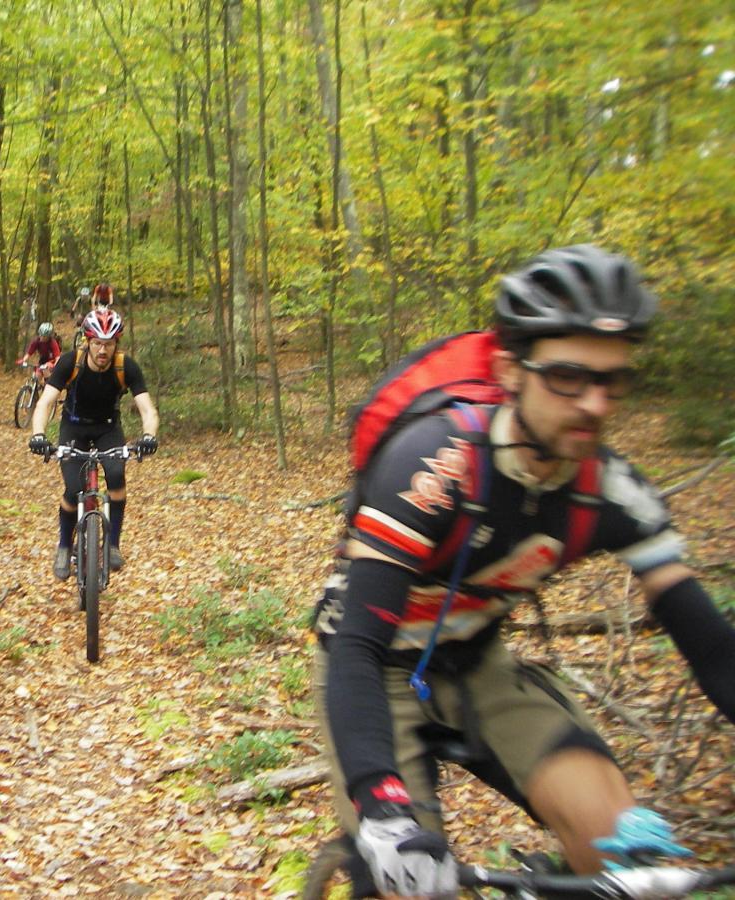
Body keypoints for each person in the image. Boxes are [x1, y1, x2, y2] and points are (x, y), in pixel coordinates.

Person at [312, 245, 735, 898]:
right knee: (409, 879)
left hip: (481, 665)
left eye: (613, 380)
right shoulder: (432, 467)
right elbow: (357, 647)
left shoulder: (612, 490)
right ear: (511, 369)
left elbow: (711, 648)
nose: (594, 403)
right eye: (568, 377)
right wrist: (382, 807)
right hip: (378, 670)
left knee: (624, 847)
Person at [28, 307, 159, 580]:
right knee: (73, 488)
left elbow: (147, 408)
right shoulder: (69, 362)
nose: (102, 350)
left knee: (116, 476)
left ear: (116, 344)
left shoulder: (126, 366)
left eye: (108, 343)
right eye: (97, 343)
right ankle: (64, 545)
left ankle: (112, 544)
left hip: (107, 429)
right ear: (87, 341)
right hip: (73, 426)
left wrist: (148, 436)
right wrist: (39, 434)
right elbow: (45, 402)